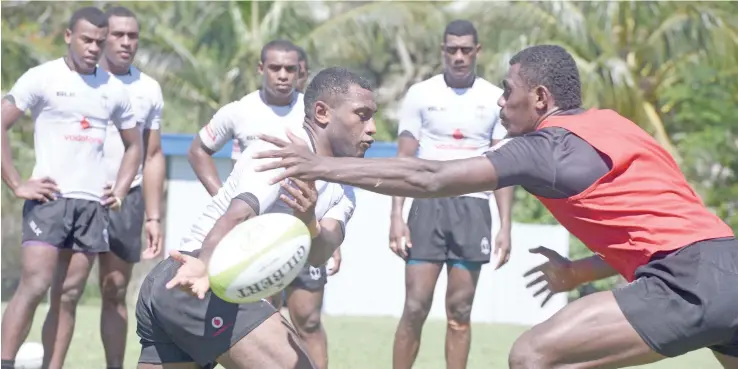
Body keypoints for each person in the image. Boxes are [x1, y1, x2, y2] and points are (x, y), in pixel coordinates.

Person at [252, 45, 738, 369]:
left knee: (530, 355)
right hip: (727, 264)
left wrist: (316, 164)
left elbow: (432, 176)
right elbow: (658, 231)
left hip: (686, 281)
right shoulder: (616, 125)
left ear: (540, 98)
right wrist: (579, 274)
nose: (501, 103)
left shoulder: (544, 148)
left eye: (509, 91)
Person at [135, 67, 374, 369]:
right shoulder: (281, 153)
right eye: (362, 115)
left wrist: (308, 219)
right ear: (322, 112)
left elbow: (321, 253)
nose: (372, 128)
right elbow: (237, 214)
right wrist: (205, 267)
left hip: (176, 283)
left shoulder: (344, 188)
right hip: (198, 276)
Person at [0, 7, 143, 369]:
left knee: (68, 295)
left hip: (91, 205)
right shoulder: (41, 77)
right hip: (49, 199)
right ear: (68, 36)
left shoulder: (113, 89)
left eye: (100, 41)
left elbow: (135, 145)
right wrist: (16, 182)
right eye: (86, 40)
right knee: (34, 285)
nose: (94, 48)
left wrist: (122, 188)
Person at [186, 39, 338, 369]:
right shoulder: (239, 111)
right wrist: (224, 198)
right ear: (261, 69)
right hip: (253, 234)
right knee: (260, 318)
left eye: (290, 69)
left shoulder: (313, 113)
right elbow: (198, 151)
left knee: (308, 318)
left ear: (302, 73)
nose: (283, 75)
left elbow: (329, 179)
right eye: (275, 68)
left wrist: (328, 237)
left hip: (303, 227)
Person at [387, 19, 513, 369]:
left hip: (473, 210)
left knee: (459, 311)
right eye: (451, 50)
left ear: (477, 51)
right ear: (443, 51)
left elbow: (504, 168)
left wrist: (505, 225)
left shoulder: (494, 98)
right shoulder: (421, 94)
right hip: (427, 208)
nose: (458, 56)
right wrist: (397, 216)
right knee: (415, 307)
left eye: (465, 50)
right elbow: (403, 161)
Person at [97, 6, 165, 369]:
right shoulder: (82, 81)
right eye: (117, 34)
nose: (126, 42)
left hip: (128, 199)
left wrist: (154, 216)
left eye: (132, 36)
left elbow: (152, 155)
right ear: (100, 36)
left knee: (114, 289)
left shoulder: (148, 88)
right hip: (77, 196)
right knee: (66, 290)